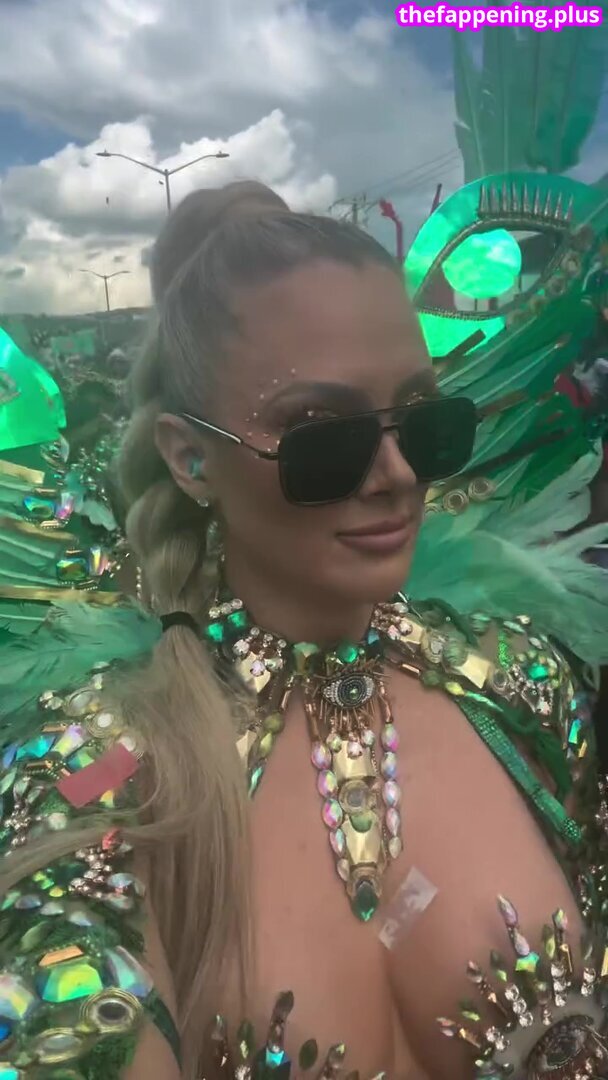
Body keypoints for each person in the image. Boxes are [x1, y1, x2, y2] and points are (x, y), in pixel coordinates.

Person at [0, 180, 607, 1080]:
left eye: (426, 425)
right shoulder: (108, 767)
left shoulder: (521, 681)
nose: (396, 475)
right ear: (189, 456)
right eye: (323, 436)